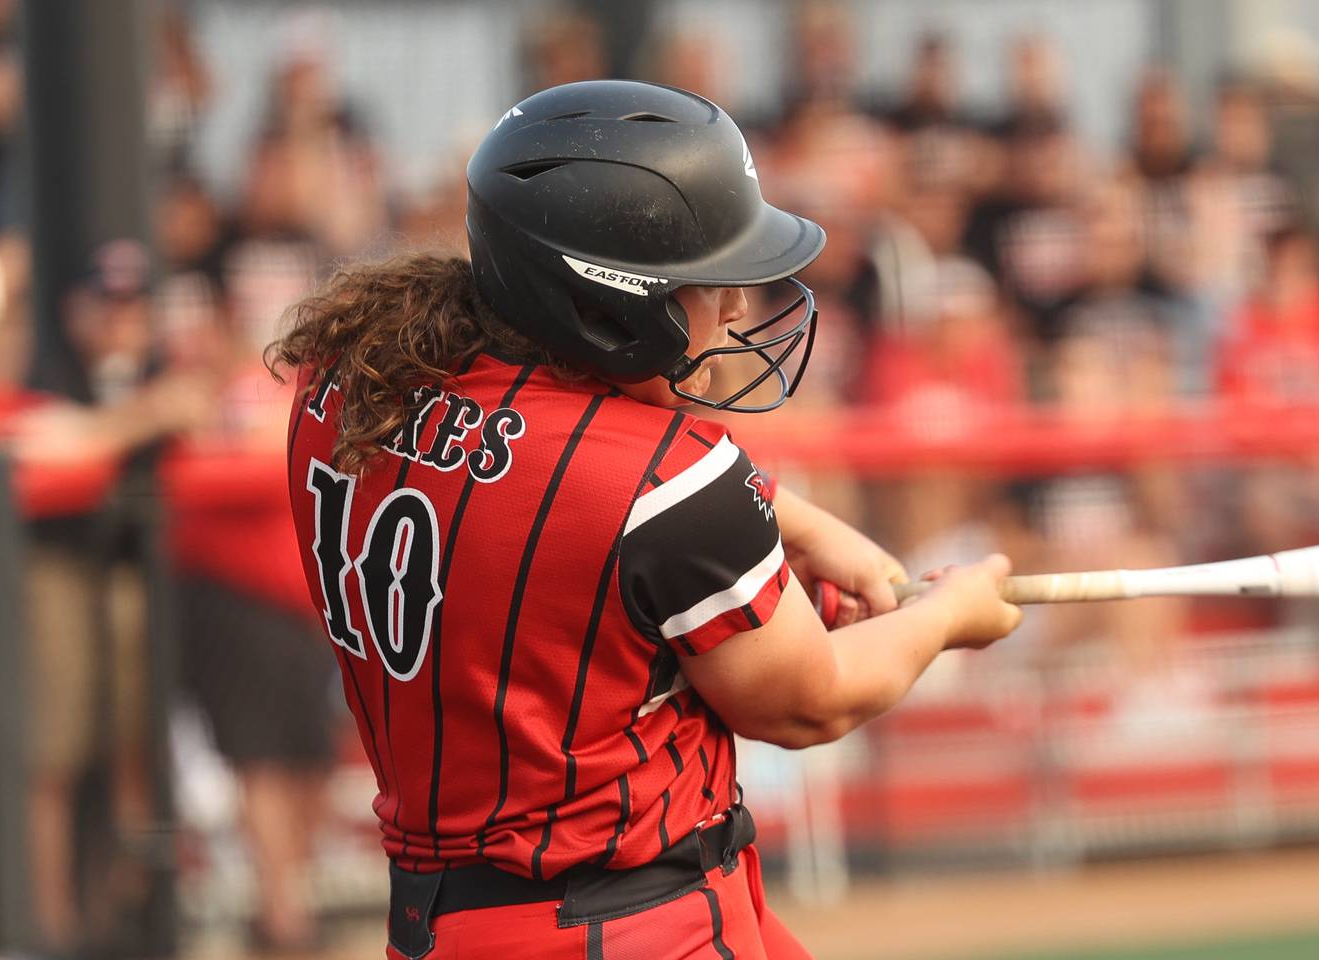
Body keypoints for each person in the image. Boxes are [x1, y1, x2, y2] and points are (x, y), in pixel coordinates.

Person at [268, 80, 1021, 960]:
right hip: (630, 926)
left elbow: (545, 476)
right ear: (605, 308)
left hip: (441, 925)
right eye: (706, 282)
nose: (737, 306)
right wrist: (949, 615)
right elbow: (810, 702)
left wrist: (796, 523)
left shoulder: (346, 386)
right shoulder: (664, 482)